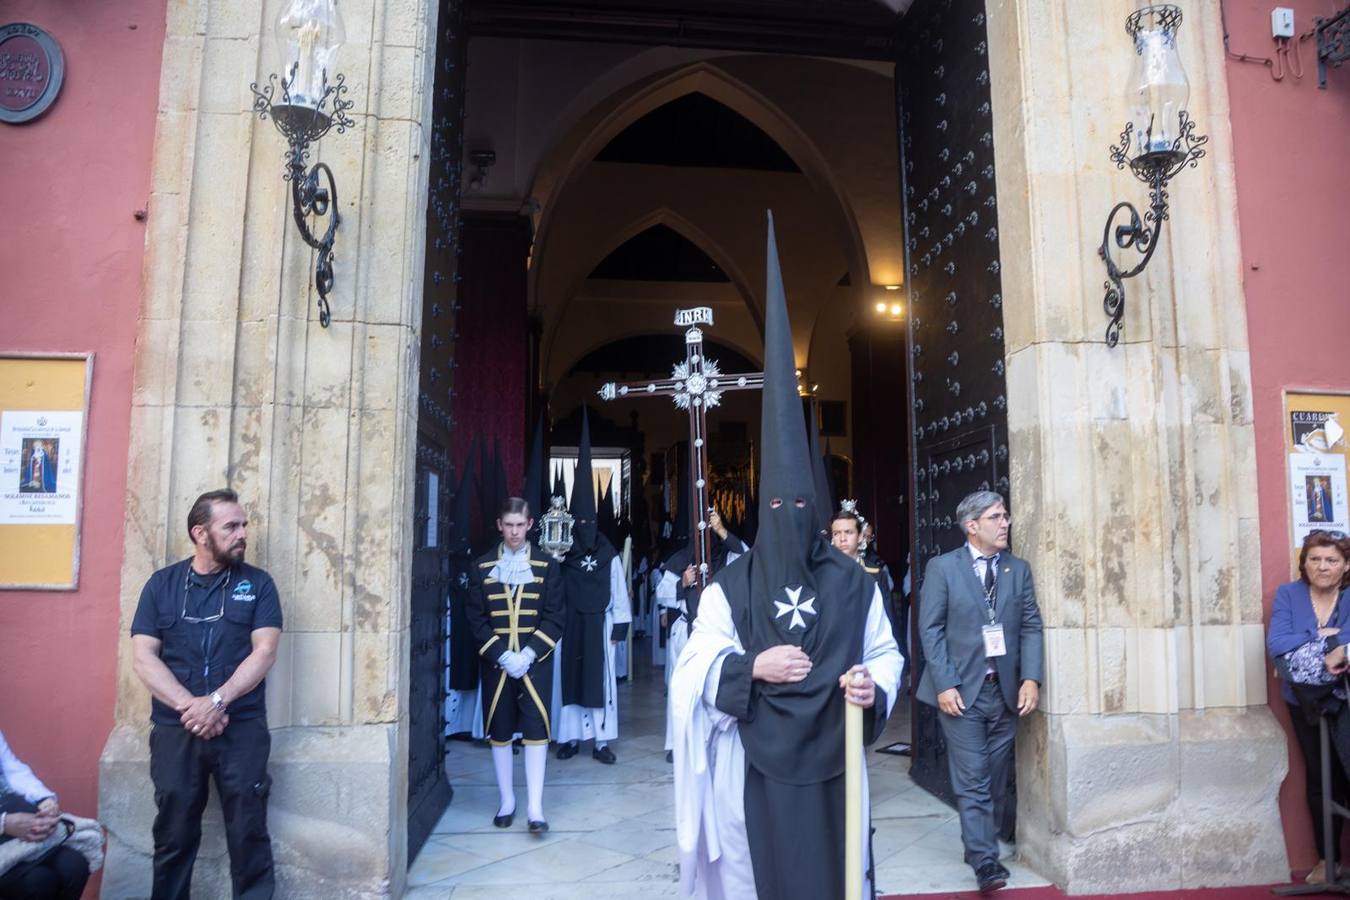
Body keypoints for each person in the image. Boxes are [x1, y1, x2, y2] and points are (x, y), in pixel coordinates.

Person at [671, 213, 902, 898]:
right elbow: (693, 672)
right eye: (777, 508)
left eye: (801, 509)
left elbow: (885, 653)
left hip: (835, 758)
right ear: (760, 506)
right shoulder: (729, 589)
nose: (789, 518)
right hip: (753, 762)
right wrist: (749, 667)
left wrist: (874, 687)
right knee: (755, 875)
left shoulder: (856, 584)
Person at [130, 488, 283, 899]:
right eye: (231, 526)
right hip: (176, 731)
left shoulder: (259, 584)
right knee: (173, 835)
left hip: (241, 727)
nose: (242, 533)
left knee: (248, 832)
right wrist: (191, 707)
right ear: (201, 533)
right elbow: (143, 657)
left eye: (244, 525)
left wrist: (216, 702)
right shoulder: (161, 585)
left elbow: (264, 651)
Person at [917, 490, 1043, 895]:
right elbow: (930, 629)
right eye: (995, 517)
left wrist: (1031, 678)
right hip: (961, 693)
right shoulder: (943, 568)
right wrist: (945, 683)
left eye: (1005, 515)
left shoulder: (1017, 570)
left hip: (1004, 691)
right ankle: (985, 860)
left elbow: (1030, 626)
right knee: (972, 779)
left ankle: (977, 844)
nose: (1005, 523)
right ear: (972, 526)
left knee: (993, 774)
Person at [464, 497, 566, 833]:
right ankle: (507, 800)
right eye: (508, 525)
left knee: (536, 733)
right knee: (501, 732)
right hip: (497, 666)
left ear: (530, 524)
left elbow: (555, 618)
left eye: (520, 525)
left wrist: (528, 654)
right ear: (499, 525)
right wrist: (503, 655)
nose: (514, 532)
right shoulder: (481, 567)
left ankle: (536, 808)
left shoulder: (547, 566)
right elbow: (476, 620)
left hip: (535, 665)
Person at [1266, 530, 1350, 885]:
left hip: (1345, 699)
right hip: (1304, 702)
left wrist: (1313, 647)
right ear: (1304, 563)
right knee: (1319, 777)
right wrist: (1332, 640)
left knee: (1346, 773)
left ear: (1345, 565)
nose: (1322, 566)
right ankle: (1325, 860)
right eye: (1314, 559)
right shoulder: (1289, 594)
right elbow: (1277, 645)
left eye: (1331, 560)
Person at [556, 408, 632, 764]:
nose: (585, 526)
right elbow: (553, 590)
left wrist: (619, 627)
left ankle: (601, 742)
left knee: (600, 683)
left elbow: (619, 590)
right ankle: (570, 738)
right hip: (570, 624)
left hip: (600, 625)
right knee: (568, 679)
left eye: (590, 520)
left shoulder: (607, 551)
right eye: (579, 520)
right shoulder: (561, 550)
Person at [0, 731, 93, 900]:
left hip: (14, 827)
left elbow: (12, 770)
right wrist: (4, 823)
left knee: (74, 866)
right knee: (39, 882)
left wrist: (44, 799)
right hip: (6, 826)